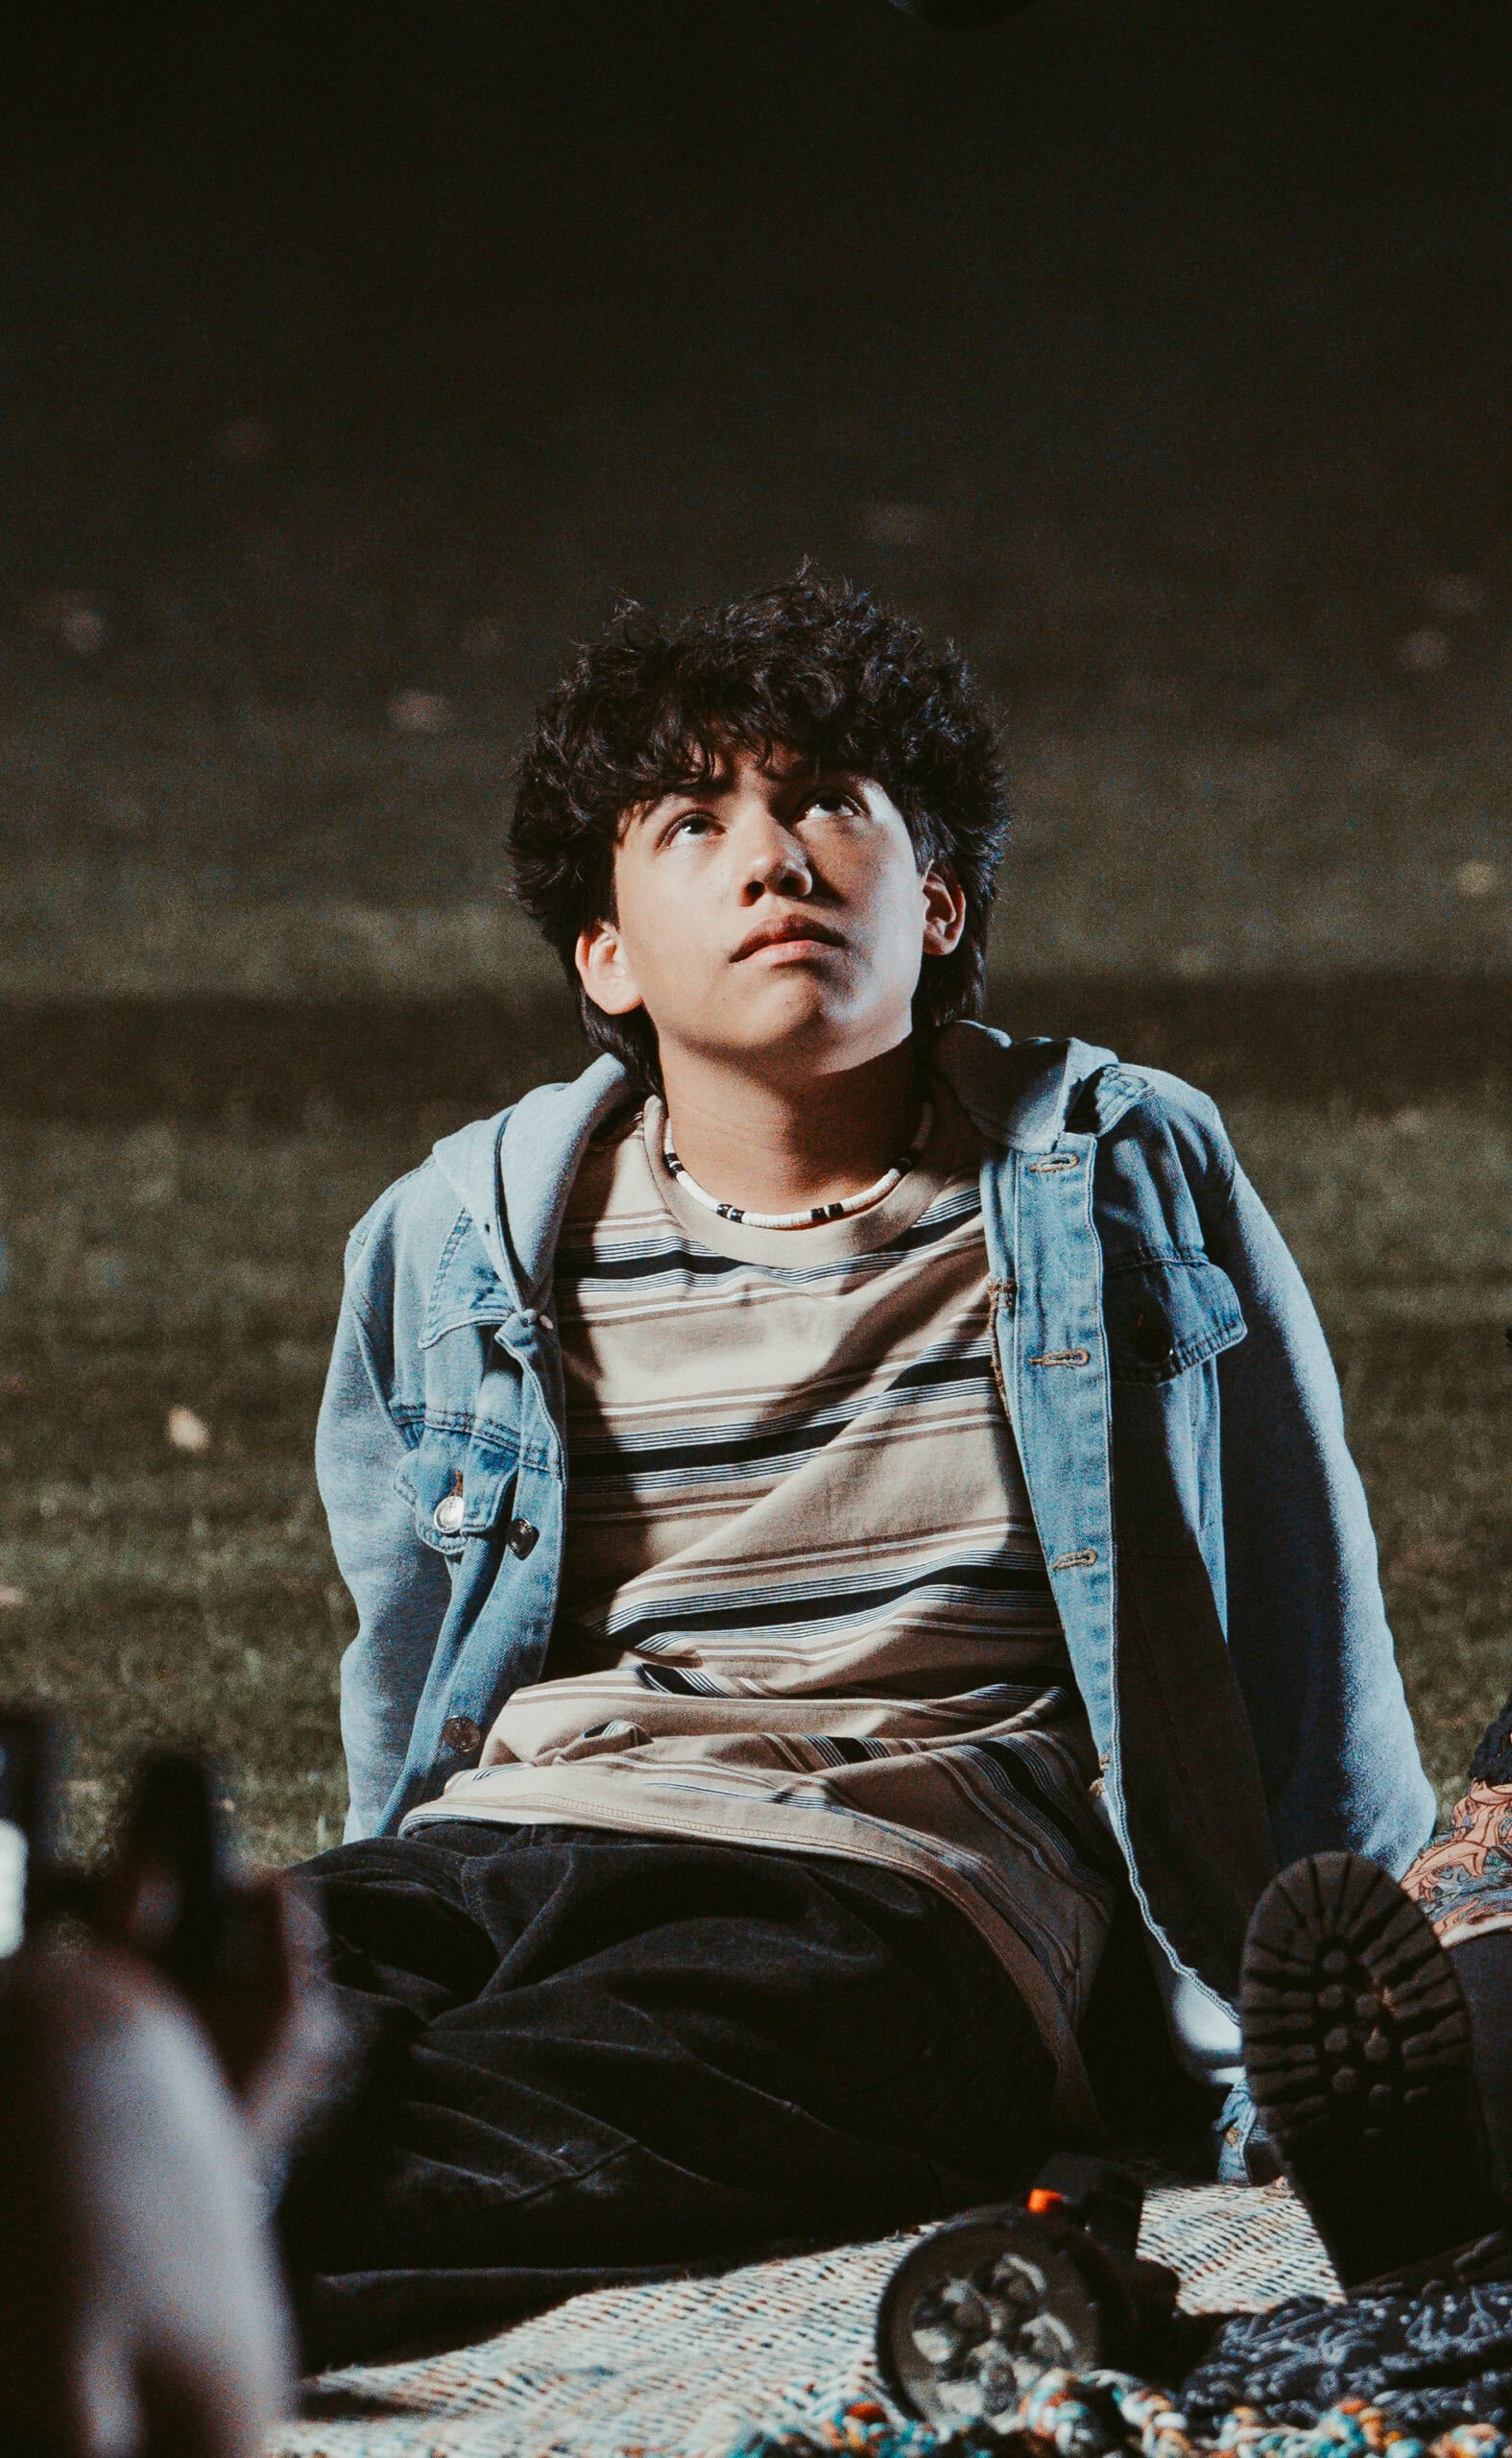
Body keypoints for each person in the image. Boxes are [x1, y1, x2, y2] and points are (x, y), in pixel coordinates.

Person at [283, 571, 1435, 2367]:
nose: (773, 859)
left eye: (829, 804)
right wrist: (368, 1908)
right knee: (170, 2009)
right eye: (693, 822)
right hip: (527, 1837)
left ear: (939, 902)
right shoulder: (463, 1236)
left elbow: (1298, 1590)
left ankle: (172, 2247)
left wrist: (1335, 1988)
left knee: (527, 2116)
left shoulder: (1111, 1173)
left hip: (906, 1882)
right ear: (605, 954)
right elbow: (412, 1650)